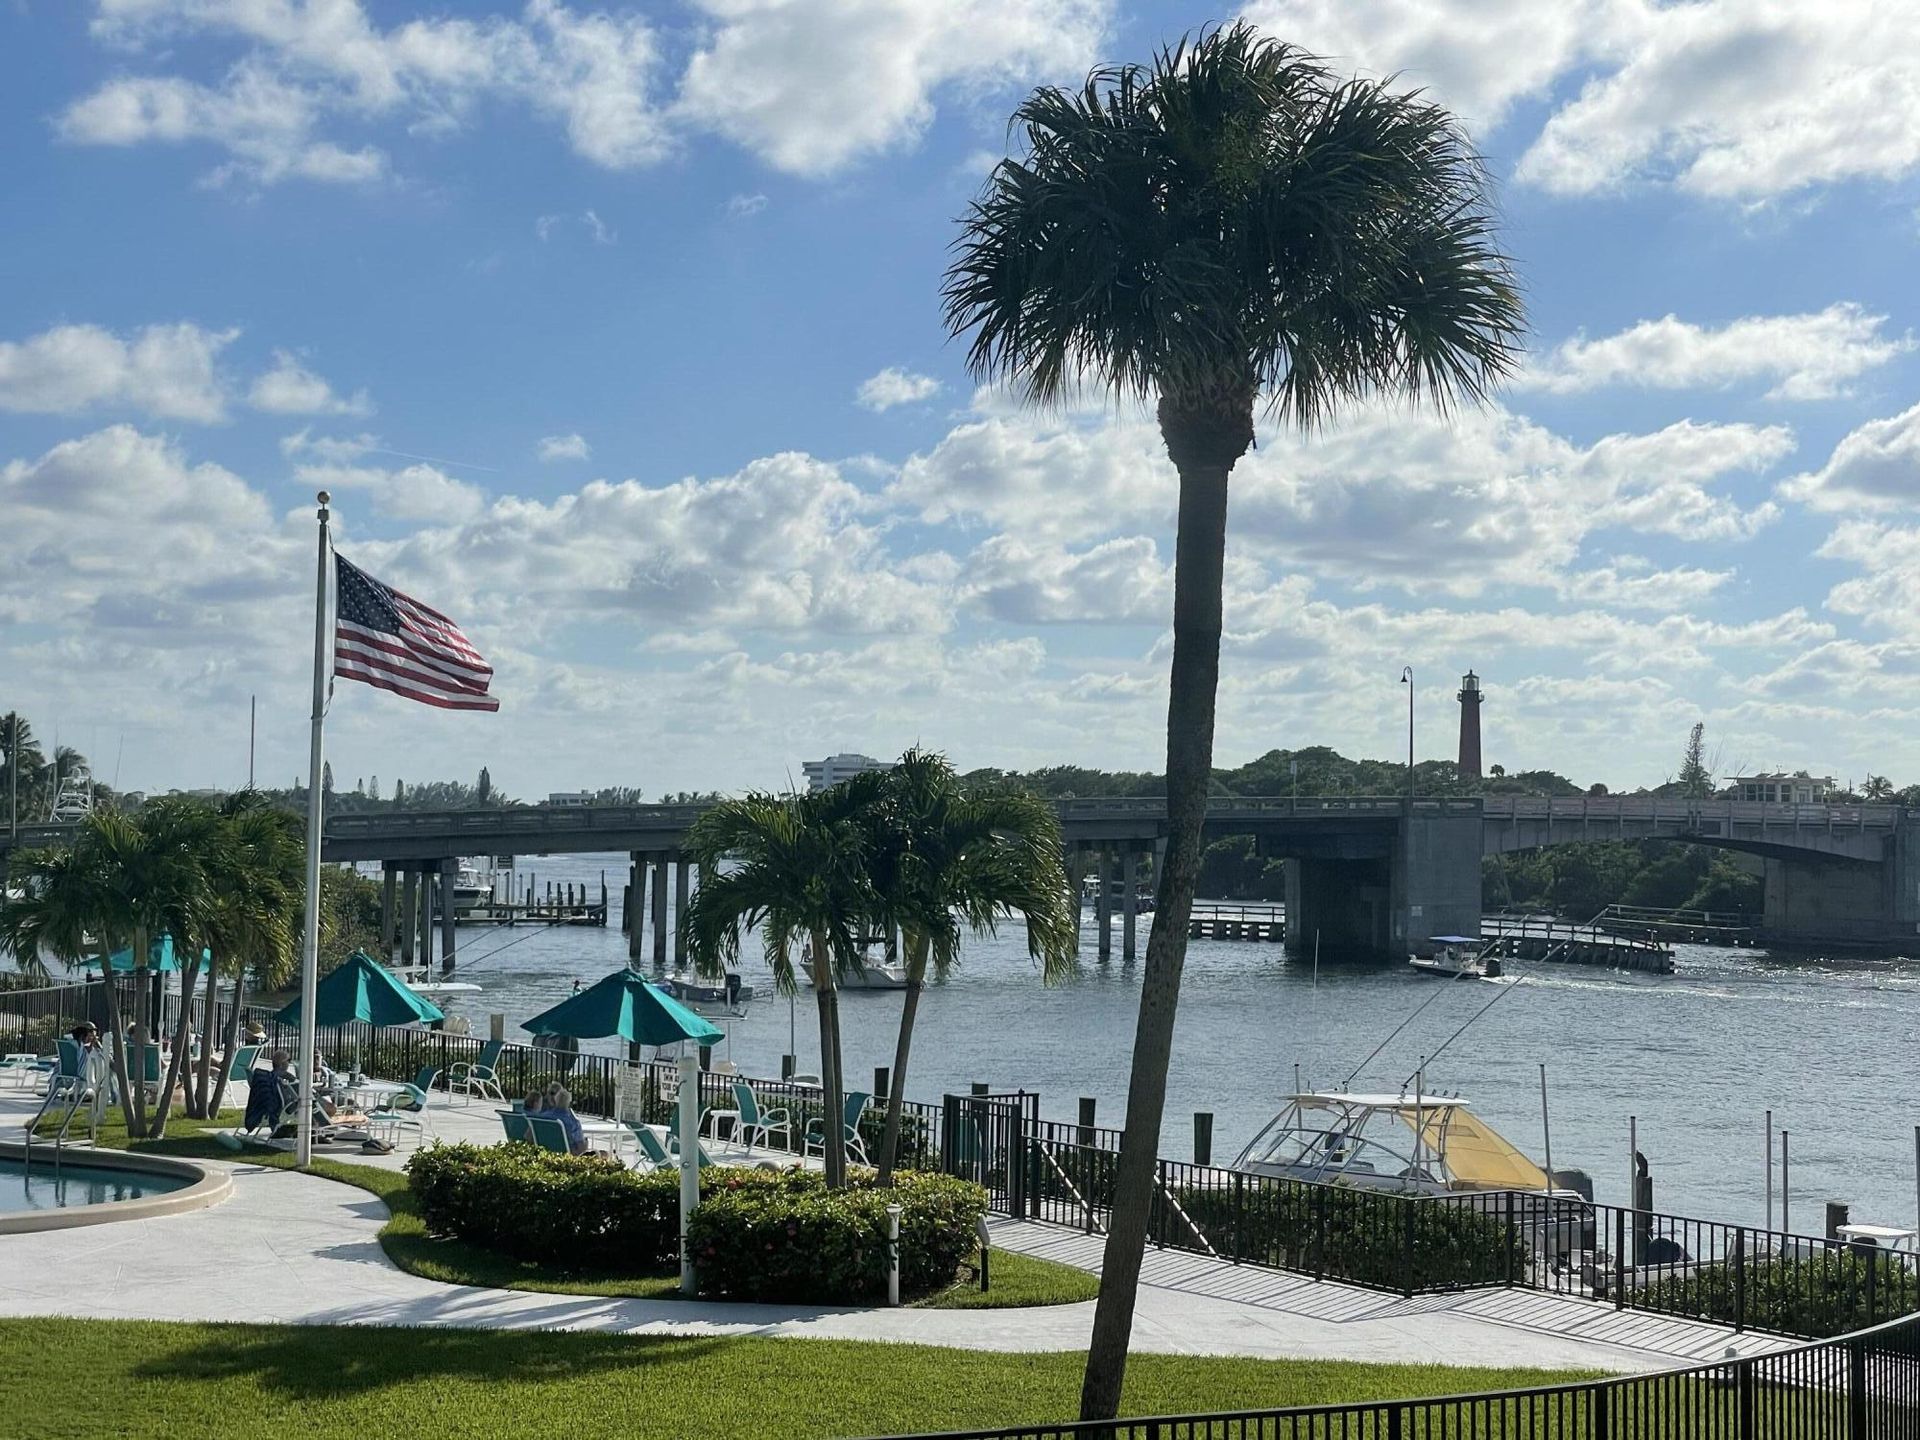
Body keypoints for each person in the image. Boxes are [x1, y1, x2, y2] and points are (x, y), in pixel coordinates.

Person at [545, 1085, 588, 1155]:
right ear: (569, 1103)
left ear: (555, 1100)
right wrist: (586, 1143)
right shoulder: (573, 1122)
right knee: (604, 1154)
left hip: (547, 1153)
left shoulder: (544, 1116)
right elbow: (581, 1149)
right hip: (568, 1155)